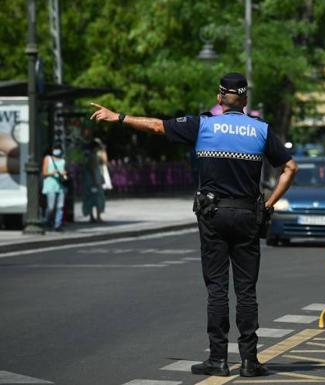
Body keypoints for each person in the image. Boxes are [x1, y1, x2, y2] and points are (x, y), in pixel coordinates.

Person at [89, 73, 297, 378]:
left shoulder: (204, 125)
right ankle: (250, 361)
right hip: (247, 215)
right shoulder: (261, 130)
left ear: (219, 98)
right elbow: (290, 167)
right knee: (246, 291)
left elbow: (158, 125)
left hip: (213, 215)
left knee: (217, 289)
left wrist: (118, 116)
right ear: (246, 100)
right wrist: (268, 203)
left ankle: (218, 359)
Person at [41, 143, 68, 231]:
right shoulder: (48, 159)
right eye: (55, 148)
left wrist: (64, 174)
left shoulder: (63, 160)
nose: (57, 150)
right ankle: (47, 222)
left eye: (58, 148)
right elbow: (44, 173)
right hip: (50, 186)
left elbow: (64, 173)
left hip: (60, 186)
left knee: (60, 206)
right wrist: (53, 173)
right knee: (51, 207)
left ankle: (57, 225)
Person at [82, 138, 106, 223]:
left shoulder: (91, 156)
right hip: (94, 181)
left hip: (91, 181)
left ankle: (92, 217)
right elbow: (93, 170)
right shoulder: (92, 157)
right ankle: (98, 217)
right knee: (97, 198)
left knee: (92, 198)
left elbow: (103, 162)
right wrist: (96, 181)